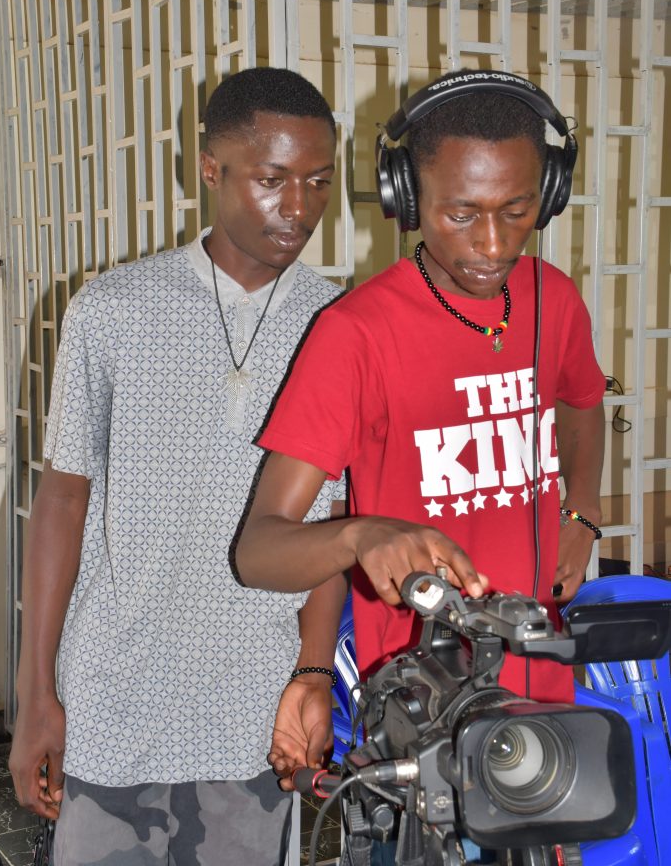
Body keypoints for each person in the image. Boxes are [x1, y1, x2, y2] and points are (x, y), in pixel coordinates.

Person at [8, 66, 347, 866]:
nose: (297, 207)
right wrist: (35, 694)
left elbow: (333, 524)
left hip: (253, 710)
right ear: (210, 169)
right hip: (113, 691)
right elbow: (62, 501)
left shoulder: (337, 321)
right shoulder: (114, 308)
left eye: (318, 181)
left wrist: (311, 676)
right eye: (271, 179)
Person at [236, 70, 606, 766]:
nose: (492, 245)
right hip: (420, 714)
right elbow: (259, 551)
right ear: (405, 198)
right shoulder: (354, 333)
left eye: (517, 209)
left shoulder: (552, 299)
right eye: (460, 214)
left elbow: (583, 401)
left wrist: (580, 510)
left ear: (549, 195)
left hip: (545, 697)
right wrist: (361, 533)